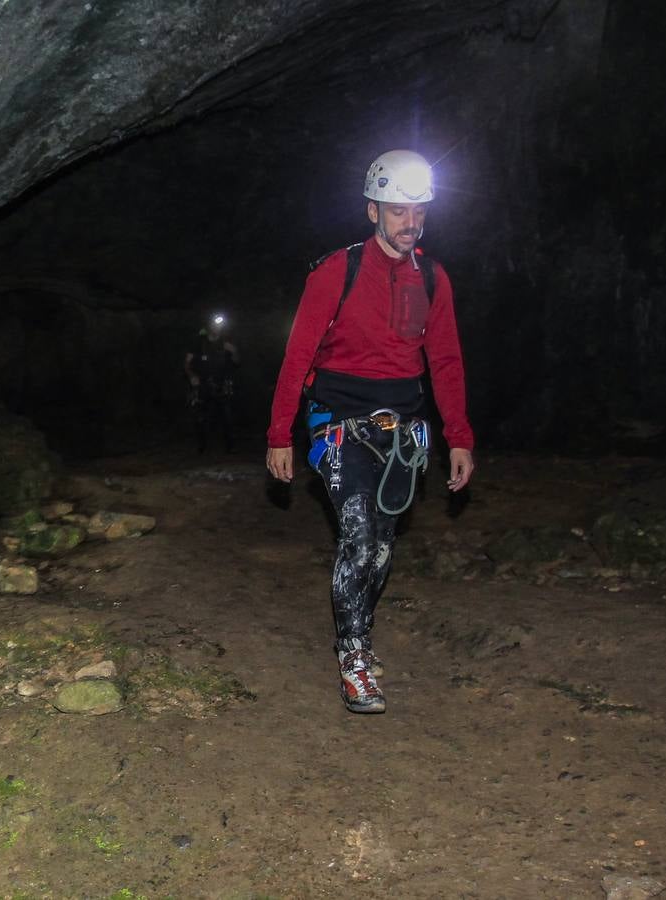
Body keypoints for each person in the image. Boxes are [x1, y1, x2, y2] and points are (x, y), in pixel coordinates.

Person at [264, 150, 475, 714]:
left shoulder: (432, 278)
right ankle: (354, 658)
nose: (410, 222)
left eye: (419, 212)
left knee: (380, 547)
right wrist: (279, 434)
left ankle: (358, 633)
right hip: (337, 423)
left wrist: (460, 437)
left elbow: (446, 361)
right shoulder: (338, 271)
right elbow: (297, 355)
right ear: (372, 211)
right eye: (398, 211)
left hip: (404, 432)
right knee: (360, 535)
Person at [185, 312, 240, 452]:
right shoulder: (198, 342)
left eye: (219, 326)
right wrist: (192, 376)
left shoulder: (225, 342)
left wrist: (234, 352)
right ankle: (201, 446)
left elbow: (237, 362)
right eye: (214, 325)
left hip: (222, 384)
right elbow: (187, 363)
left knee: (227, 416)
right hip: (203, 384)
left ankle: (230, 447)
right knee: (201, 416)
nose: (217, 328)